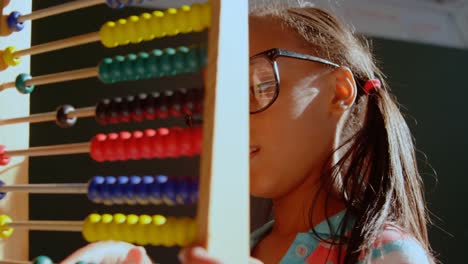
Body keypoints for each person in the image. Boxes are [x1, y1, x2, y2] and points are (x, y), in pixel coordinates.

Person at [62, 1, 436, 263]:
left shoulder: (382, 253)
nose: (230, 122)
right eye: (218, 103)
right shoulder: (240, 250)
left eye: (260, 86)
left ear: (339, 92)